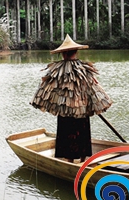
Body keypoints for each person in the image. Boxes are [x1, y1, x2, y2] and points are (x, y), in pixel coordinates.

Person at [30, 34, 113, 163]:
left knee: (67, 134)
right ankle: (82, 159)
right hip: (82, 110)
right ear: (75, 52)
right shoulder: (85, 69)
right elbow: (95, 88)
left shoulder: (56, 70)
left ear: (63, 54)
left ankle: (69, 162)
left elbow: (44, 90)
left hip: (66, 111)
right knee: (82, 133)